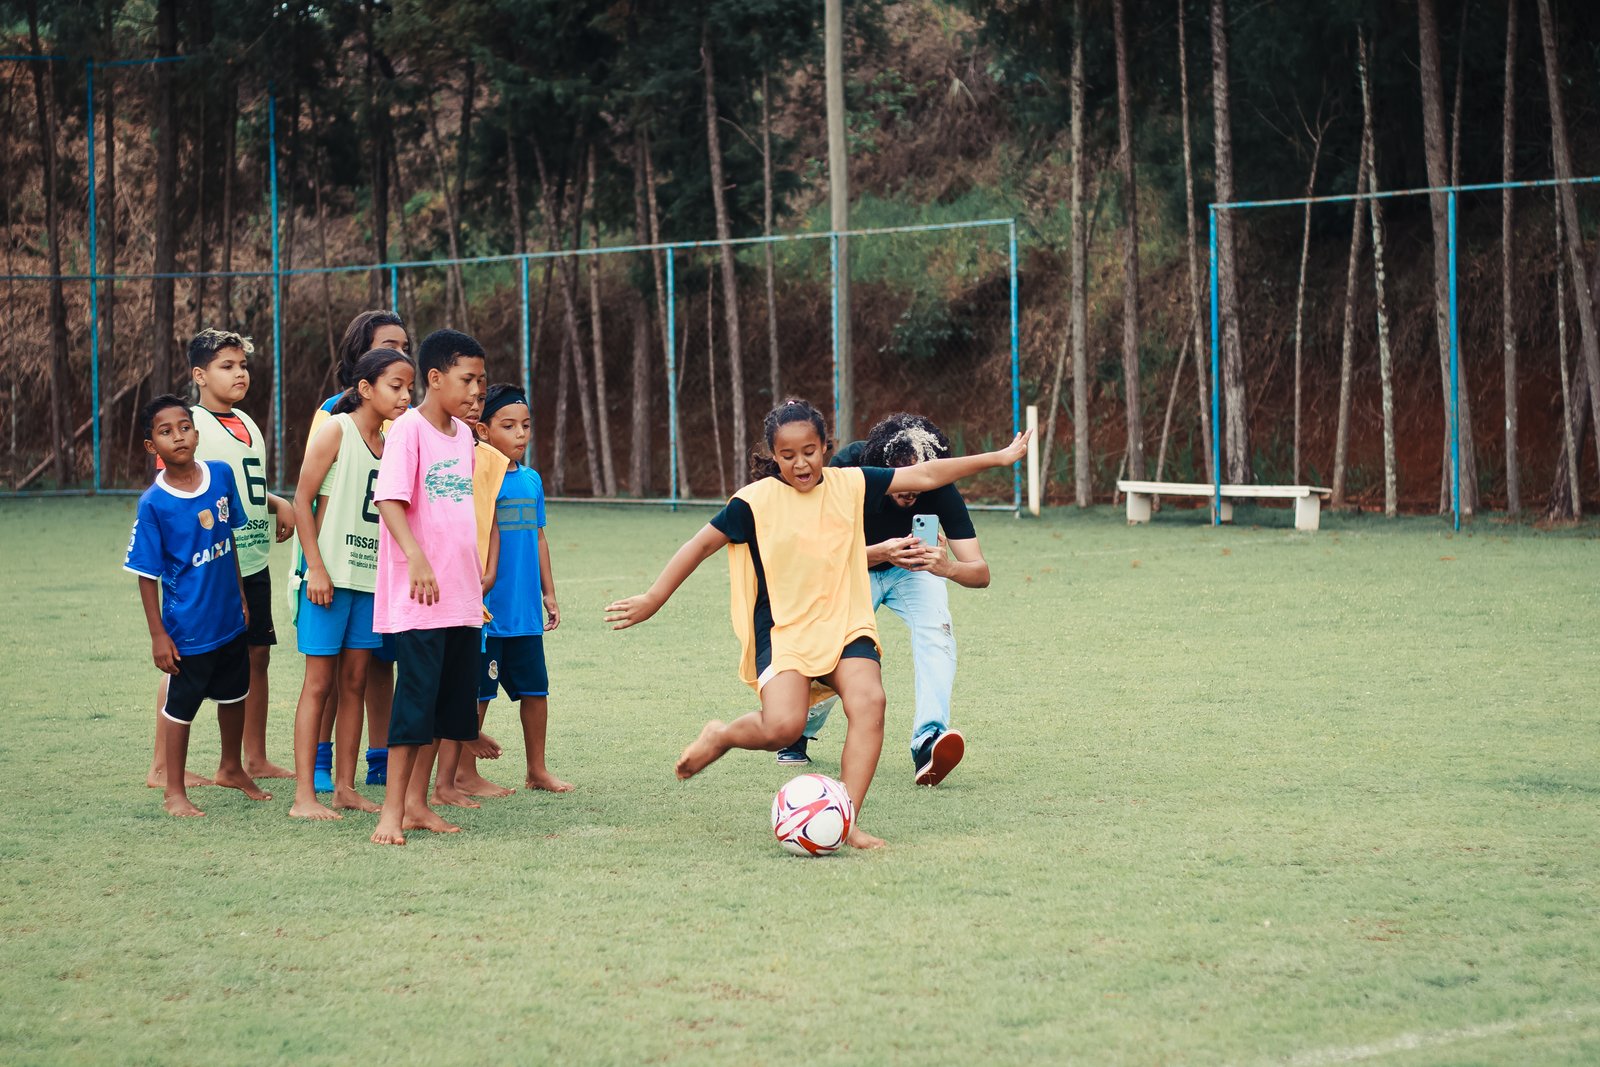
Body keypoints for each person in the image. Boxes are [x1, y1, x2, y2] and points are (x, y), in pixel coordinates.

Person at [605, 398, 1030, 849]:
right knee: (782, 729)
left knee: (870, 702)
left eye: (809, 451)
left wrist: (999, 458)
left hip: (845, 621)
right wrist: (653, 598)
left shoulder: (851, 483)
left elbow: (925, 476)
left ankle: (846, 820)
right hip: (786, 628)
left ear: (826, 447)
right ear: (773, 456)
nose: (800, 463)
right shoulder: (754, 502)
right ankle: (723, 734)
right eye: (786, 456)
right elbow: (699, 544)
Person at [776, 412, 991, 787]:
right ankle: (797, 727)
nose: (910, 491)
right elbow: (817, 554)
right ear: (881, 466)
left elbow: (980, 572)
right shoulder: (849, 469)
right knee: (833, 650)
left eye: (919, 481)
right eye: (901, 479)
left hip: (913, 571)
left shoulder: (939, 486)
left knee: (937, 634)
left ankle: (928, 740)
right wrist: (882, 552)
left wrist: (947, 568)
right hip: (853, 567)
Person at [124, 395, 273, 816]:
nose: (178, 436)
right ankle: (174, 790)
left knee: (234, 694)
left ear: (197, 431)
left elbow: (229, 544)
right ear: (152, 446)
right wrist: (158, 634)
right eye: (165, 431)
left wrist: (242, 596)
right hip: (188, 628)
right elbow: (146, 574)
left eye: (184, 427)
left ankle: (231, 768)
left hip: (229, 616)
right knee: (181, 708)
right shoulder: (154, 503)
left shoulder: (222, 476)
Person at [369, 328, 489, 846]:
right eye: (467, 380)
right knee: (413, 706)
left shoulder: (465, 437)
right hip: (420, 599)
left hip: (461, 600)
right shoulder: (407, 431)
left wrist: (474, 587)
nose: (476, 392)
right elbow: (390, 501)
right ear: (435, 378)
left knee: (445, 708)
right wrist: (416, 559)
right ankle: (390, 814)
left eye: (482, 383)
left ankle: (418, 805)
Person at [287, 348, 415, 821]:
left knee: (356, 681)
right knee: (319, 684)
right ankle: (304, 796)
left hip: (370, 584)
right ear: (366, 388)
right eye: (395, 386)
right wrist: (315, 568)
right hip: (328, 580)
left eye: (409, 387)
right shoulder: (335, 431)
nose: (405, 395)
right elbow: (301, 501)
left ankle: (344, 787)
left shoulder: (395, 442)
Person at [452, 383, 570, 798]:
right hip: (487, 612)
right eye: (508, 425)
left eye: (525, 425)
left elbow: (539, 537)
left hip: (525, 613)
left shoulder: (532, 480)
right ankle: (462, 773)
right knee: (478, 694)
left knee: (536, 692)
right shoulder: (476, 477)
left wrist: (548, 593)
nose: (520, 434)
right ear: (483, 431)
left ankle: (537, 770)